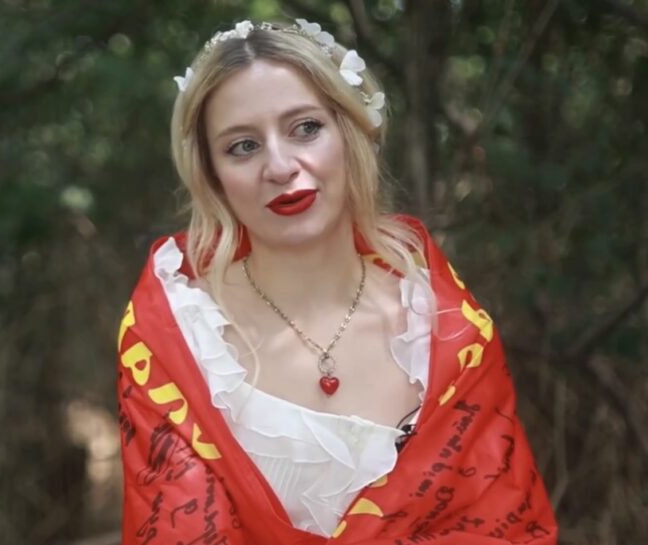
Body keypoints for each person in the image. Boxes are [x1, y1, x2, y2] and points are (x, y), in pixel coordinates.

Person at [116, 19, 558, 545]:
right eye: (243, 146)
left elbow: (505, 523)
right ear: (212, 174)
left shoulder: (446, 332)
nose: (280, 166)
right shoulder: (177, 338)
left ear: (350, 132)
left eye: (305, 128)